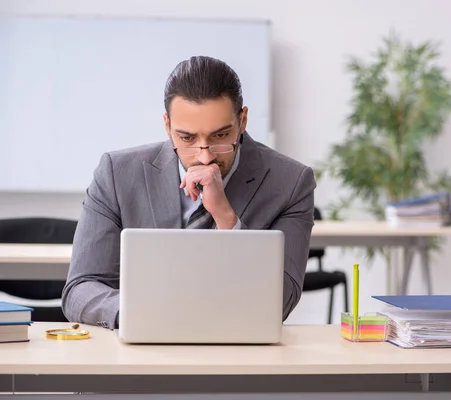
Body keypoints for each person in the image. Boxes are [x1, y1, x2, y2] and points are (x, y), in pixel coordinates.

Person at [61, 56, 316, 329]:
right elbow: (80, 289)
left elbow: (281, 302)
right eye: (187, 138)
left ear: (242, 121)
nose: (204, 157)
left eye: (220, 136)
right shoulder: (117, 174)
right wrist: (144, 313)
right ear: (167, 126)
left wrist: (227, 219)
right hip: (142, 352)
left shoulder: (291, 182)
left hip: (239, 354)